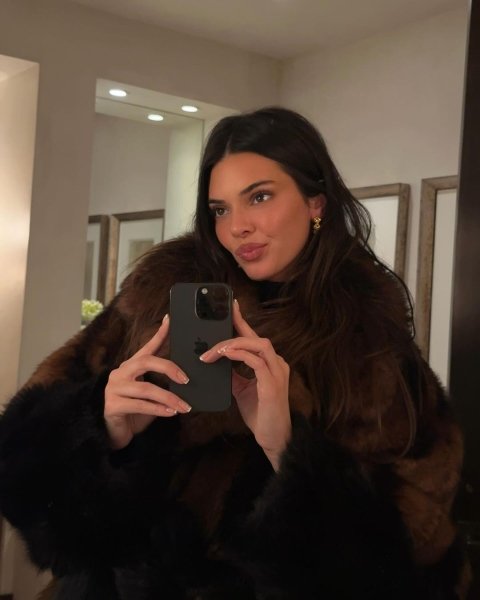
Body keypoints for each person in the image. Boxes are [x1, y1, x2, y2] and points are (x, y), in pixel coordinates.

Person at [0, 107, 469, 600]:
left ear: (316, 202)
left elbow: (413, 556)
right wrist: (100, 425)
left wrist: (289, 449)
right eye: (220, 209)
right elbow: (19, 471)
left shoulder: (370, 343)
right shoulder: (155, 299)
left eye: (259, 197)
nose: (237, 226)